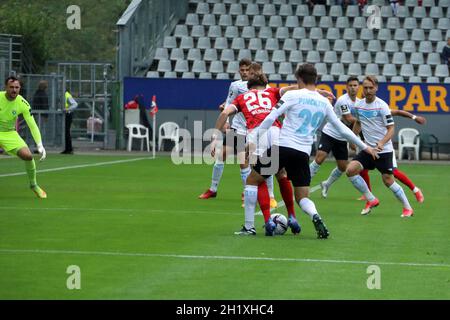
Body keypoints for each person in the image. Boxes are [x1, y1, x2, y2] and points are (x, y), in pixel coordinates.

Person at [244, 64, 377, 237]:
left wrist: (251, 141)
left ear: (299, 79)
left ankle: (249, 227)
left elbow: (271, 118)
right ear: (316, 79)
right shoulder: (324, 102)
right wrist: (365, 147)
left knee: (252, 180)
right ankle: (315, 215)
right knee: (302, 197)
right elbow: (344, 129)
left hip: (283, 148)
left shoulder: (292, 95)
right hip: (303, 153)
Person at [211, 73, 301, 235]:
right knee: (282, 174)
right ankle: (292, 216)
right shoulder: (272, 91)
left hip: (257, 134)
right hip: (276, 131)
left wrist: (215, 134)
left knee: (257, 179)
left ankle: (261, 223)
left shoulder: (242, 97)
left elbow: (224, 113)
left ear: (248, 86)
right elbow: (295, 88)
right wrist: (319, 92)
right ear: (265, 83)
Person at [198, 60, 278, 208]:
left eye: (248, 70)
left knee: (254, 161)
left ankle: (256, 194)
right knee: (222, 155)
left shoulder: (265, 88)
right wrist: (226, 120)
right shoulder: (235, 86)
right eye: (242, 70)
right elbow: (228, 104)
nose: (245, 73)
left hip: (255, 128)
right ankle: (213, 189)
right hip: (238, 127)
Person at [346, 76, 414, 218]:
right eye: (365, 88)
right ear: (362, 89)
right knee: (351, 170)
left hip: (384, 150)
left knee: (388, 180)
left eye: (371, 88)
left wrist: (382, 143)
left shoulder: (382, 106)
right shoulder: (358, 106)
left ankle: (408, 208)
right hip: (368, 149)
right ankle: (371, 199)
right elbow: (358, 122)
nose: (368, 90)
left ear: (376, 88)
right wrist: (352, 138)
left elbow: (391, 129)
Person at [355, 110, 426, 203]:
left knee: (394, 172)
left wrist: (414, 117)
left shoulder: (379, 109)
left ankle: (415, 190)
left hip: (384, 148)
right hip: (368, 147)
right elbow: (357, 123)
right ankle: (368, 194)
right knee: (362, 170)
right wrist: (354, 137)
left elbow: (398, 112)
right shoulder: (361, 109)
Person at [310, 76, 361, 198]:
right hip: (330, 133)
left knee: (343, 167)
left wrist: (353, 138)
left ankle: (326, 184)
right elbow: (348, 119)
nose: (353, 88)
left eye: (355, 85)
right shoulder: (343, 100)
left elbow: (356, 124)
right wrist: (363, 120)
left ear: (359, 87)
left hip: (342, 137)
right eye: (351, 85)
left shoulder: (359, 103)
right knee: (320, 158)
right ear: (346, 87)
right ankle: (303, 182)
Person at [0, 76, 47, 198]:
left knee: (28, 156)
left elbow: (32, 125)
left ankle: (34, 185)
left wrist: (39, 144)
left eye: (17, 87)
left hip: (9, 133)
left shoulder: (22, 103)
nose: (14, 90)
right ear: (6, 87)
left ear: (20, 88)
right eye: (11, 87)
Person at [61, 90, 78, 154]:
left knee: (67, 131)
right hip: (65, 115)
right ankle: (66, 148)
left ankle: (69, 149)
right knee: (65, 132)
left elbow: (75, 104)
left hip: (67, 114)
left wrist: (67, 109)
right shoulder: (62, 94)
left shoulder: (67, 95)